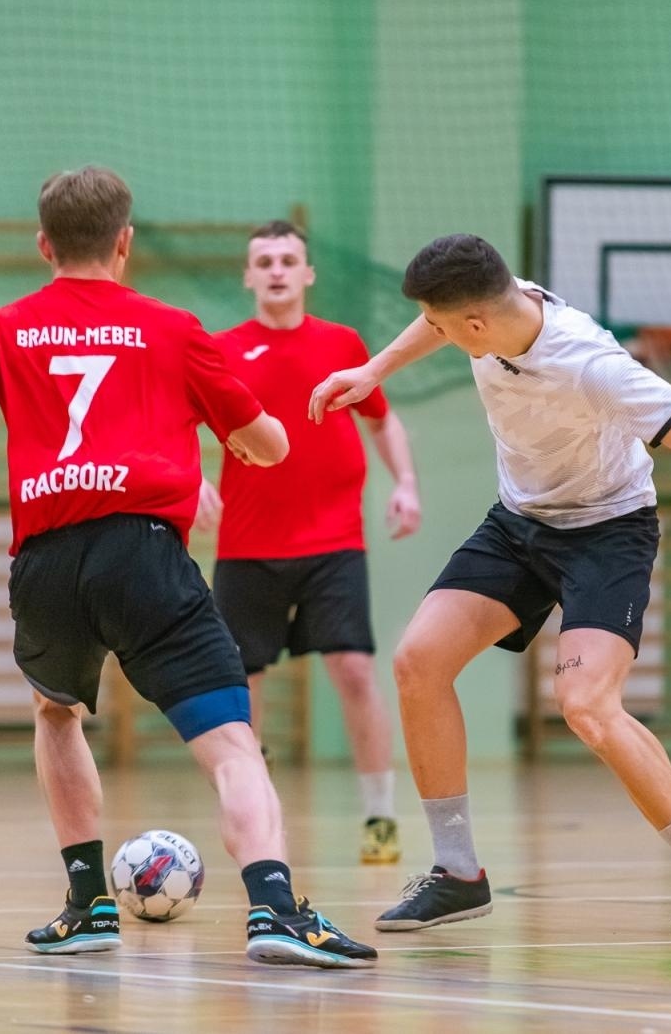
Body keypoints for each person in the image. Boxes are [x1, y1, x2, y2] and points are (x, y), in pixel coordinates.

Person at [0, 166, 375, 968]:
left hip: (45, 560)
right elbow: (270, 443)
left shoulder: (2, 326)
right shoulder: (174, 328)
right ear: (125, 243)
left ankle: (88, 905)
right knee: (229, 740)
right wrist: (235, 444)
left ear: (44, 245)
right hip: (144, 552)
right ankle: (277, 911)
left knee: (55, 712)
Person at [309, 234, 671, 934]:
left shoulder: (591, 363)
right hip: (519, 522)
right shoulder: (495, 304)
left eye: (443, 325)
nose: (435, 331)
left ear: (475, 328)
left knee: (587, 705)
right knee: (417, 662)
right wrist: (374, 370)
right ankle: (459, 872)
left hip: (608, 531)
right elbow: (437, 318)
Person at [196, 220, 420, 865]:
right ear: (248, 275)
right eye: (263, 260)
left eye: (287, 259)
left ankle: (380, 817)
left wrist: (404, 482)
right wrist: (193, 480)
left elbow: (382, 420)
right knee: (243, 685)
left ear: (307, 273)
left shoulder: (343, 343)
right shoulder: (223, 350)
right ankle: (256, 815)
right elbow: (185, 422)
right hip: (246, 544)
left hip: (333, 541)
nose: (275, 270)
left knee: (353, 670)